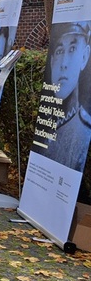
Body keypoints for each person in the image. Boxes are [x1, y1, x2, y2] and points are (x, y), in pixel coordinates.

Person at [34, 21, 91, 171]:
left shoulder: (83, 130)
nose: (64, 63)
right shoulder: (45, 120)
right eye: (59, 51)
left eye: (72, 49)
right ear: (52, 62)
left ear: (84, 57)